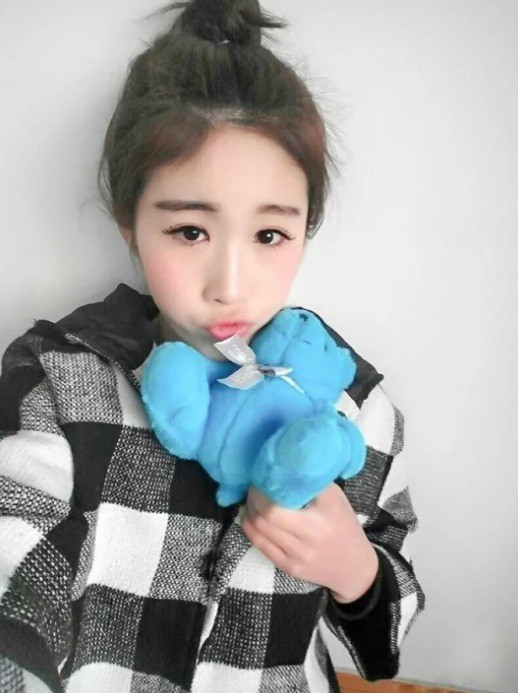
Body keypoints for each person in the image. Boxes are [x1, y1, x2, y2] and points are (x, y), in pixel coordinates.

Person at [0, 1, 425, 691]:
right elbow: (14, 566)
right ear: (129, 222)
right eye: (190, 231)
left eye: (269, 235)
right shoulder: (63, 379)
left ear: (305, 230)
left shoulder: (354, 405)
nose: (230, 287)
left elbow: (391, 629)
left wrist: (356, 571)